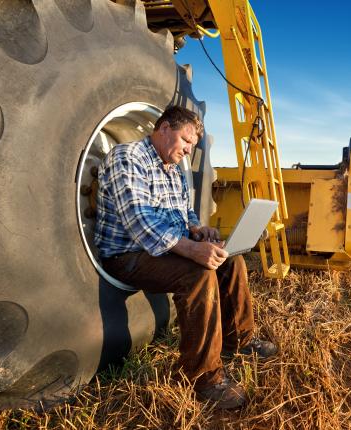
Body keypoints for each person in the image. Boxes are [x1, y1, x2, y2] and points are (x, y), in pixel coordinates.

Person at [94, 105, 277, 409]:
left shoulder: (173, 169)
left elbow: (184, 211)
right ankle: (203, 377)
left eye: (193, 145)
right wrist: (192, 250)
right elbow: (140, 221)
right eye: (186, 140)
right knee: (199, 273)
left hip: (164, 250)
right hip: (128, 254)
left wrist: (197, 229)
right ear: (164, 128)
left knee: (231, 260)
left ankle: (240, 341)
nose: (189, 151)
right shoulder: (127, 157)